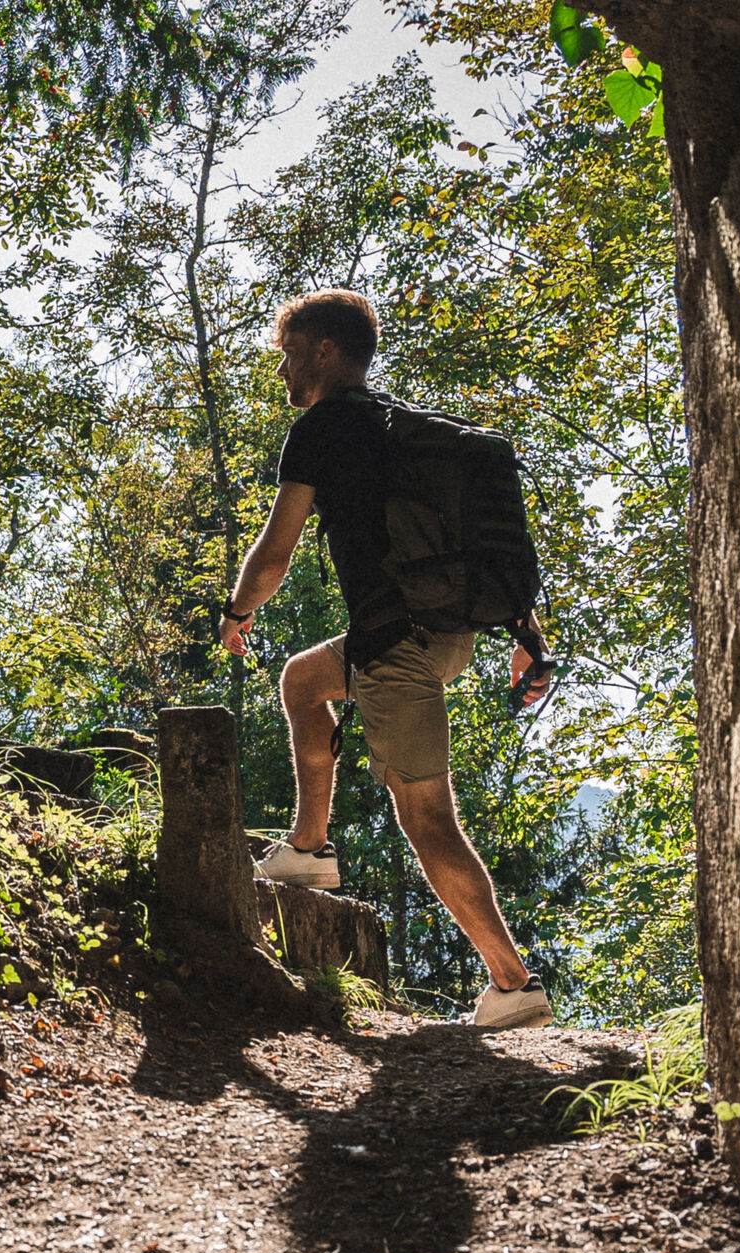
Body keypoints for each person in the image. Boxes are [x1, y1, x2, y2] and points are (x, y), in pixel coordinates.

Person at [216, 288, 555, 1030]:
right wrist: (526, 635)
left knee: (427, 818)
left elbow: (274, 552)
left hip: (397, 649)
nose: (283, 371)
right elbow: (469, 538)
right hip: (440, 637)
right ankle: (309, 848)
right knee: (304, 680)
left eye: (290, 354)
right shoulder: (398, 425)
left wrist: (237, 612)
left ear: (326, 350)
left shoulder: (322, 430)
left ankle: (514, 986)